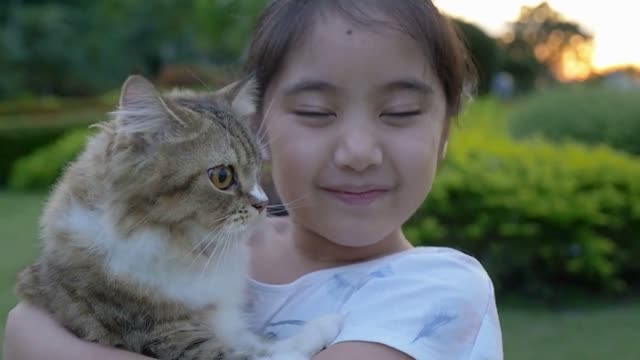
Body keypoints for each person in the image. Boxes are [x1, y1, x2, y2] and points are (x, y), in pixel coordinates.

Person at [3, 1, 503, 359]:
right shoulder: (201, 244)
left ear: (444, 133)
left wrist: (31, 338)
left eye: (400, 112)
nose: (357, 153)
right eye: (314, 111)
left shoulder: (440, 290)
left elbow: (28, 332)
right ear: (258, 124)